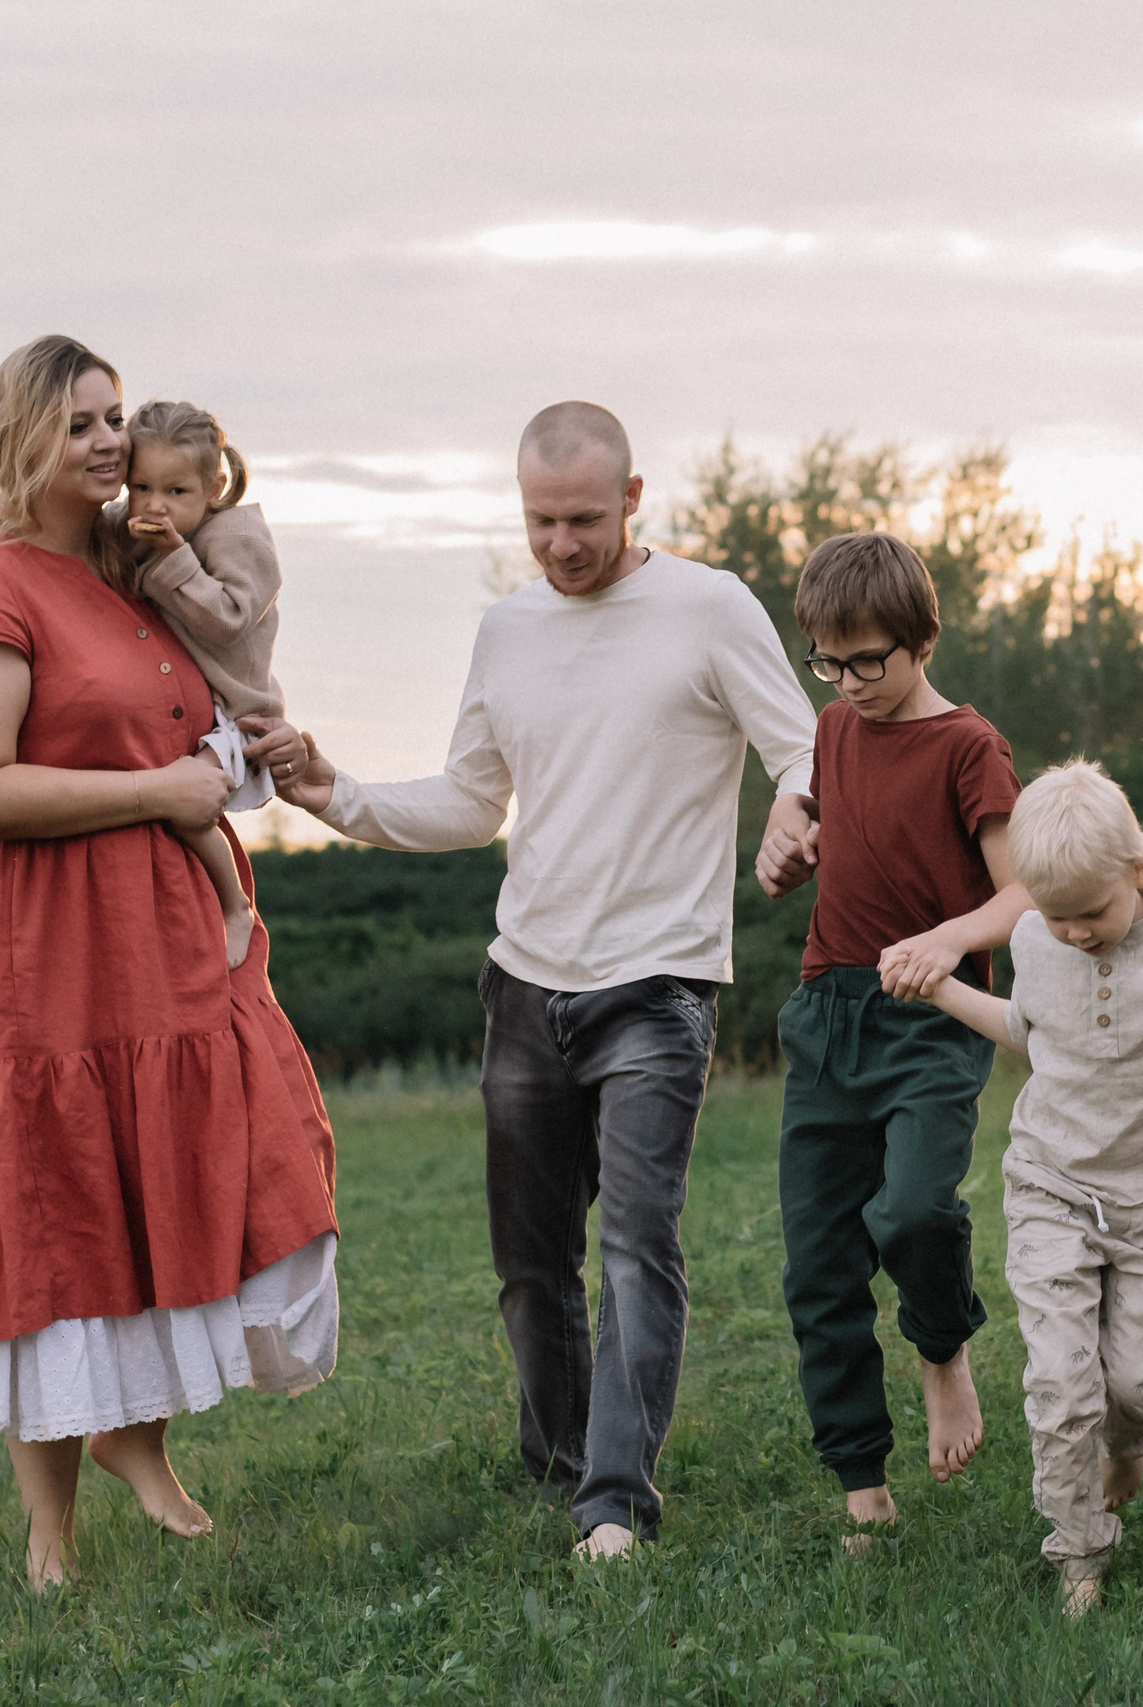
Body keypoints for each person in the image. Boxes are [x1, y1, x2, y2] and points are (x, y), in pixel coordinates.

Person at [277, 401, 819, 1559]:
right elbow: (475, 802)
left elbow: (808, 749)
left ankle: (616, 1500)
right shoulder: (508, 630)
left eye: (582, 519)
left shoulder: (709, 607)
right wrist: (336, 794)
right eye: (539, 522)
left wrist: (792, 816)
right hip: (523, 985)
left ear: (632, 500)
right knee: (530, 1266)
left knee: (635, 1244)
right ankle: (564, 1464)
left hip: (657, 987)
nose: (562, 545)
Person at [0, 335, 340, 1591]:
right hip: (46, 945)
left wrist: (255, 750)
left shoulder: (138, 572)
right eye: (78, 424)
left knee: (169, 1180)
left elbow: (201, 726)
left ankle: (137, 1433)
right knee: (54, 1202)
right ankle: (52, 1539)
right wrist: (154, 790)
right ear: (23, 437)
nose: (108, 442)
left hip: (169, 938)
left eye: (114, 416)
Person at [752, 531, 1031, 1542]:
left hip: (929, 1019)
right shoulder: (833, 726)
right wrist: (781, 841)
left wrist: (945, 943)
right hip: (828, 1013)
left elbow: (1024, 893)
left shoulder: (969, 746)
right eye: (828, 659)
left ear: (919, 641)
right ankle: (860, 1484)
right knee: (818, 1262)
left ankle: (942, 1348)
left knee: (911, 1213)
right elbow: (808, 809)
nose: (850, 681)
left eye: (868, 659)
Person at [923, 762, 1143, 1617]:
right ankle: (1077, 1551)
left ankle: (1129, 1446)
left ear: (1140, 868)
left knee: (1138, 1384)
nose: (1072, 933)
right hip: (1051, 1184)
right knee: (1063, 1382)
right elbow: (1033, 1036)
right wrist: (946, 986)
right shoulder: (1034, 938)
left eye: (1090, 913)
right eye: (1054, 913)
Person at [118, 399, 284, 969]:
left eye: (175, 492)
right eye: (140, 487)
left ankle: (236, 904)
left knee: (185, 807)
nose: (154, 505)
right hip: (187, 710)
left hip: (239, 716)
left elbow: (230, 621)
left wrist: (176, 558)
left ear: (213, 487)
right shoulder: (136, 523)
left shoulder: (238, 536)